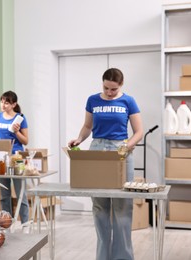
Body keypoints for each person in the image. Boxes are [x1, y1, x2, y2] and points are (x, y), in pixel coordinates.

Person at [68, 68, 143, 260]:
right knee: (100, 206)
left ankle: (123, 257)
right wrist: (79, 139)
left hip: (121, 152)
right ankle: (103, 256)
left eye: (114, 89)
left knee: (122, 206)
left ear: (121, 86)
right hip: (97, 150)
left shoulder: (129, 101)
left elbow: (138, 132)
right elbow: (87, 126)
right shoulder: (93, 100)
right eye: (106, 88)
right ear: (102, 83)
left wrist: (128, 145)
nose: (109, 93)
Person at [0, 91, 30, 226]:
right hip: (1, 158)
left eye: (7, 103)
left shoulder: (20, 118)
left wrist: (16, 132)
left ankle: (25, 223)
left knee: (21, 193)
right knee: (4, 194)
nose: (3, 105)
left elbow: (26, 141)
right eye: (2, 101)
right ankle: (6, 223)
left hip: (17, 158)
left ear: (14, 104)